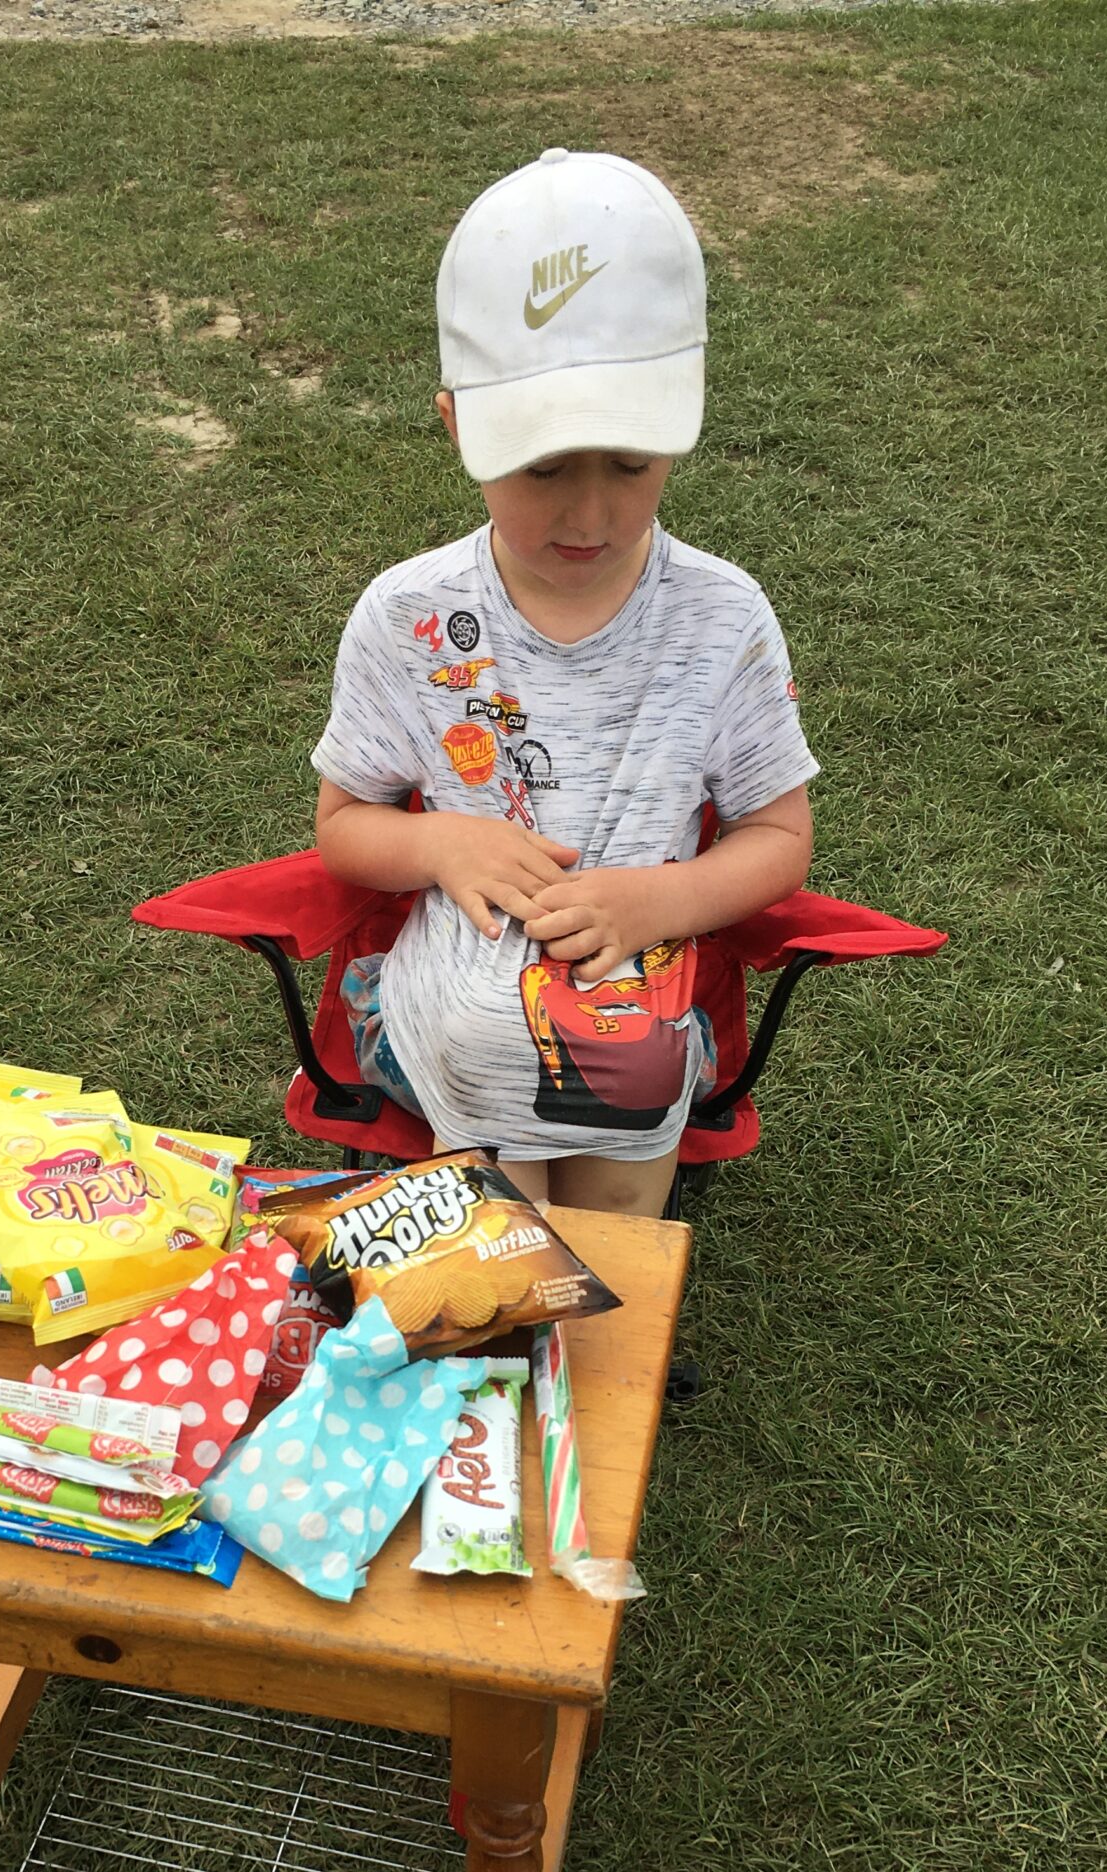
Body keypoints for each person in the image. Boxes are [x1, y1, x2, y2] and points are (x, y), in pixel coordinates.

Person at [311, 149, 818, 1218]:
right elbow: (344, 824)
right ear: (459, 427)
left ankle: (587, 1281)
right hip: (453, 1010)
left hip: (635, 1011)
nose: (589, 516)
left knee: (613, 1222)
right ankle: (493, 1253)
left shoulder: (723, 616)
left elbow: (780, 837)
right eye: (542, 468)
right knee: (503, 1239)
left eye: (631, 465)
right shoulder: (408, 615)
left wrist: (661, 898)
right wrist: (441, 845)